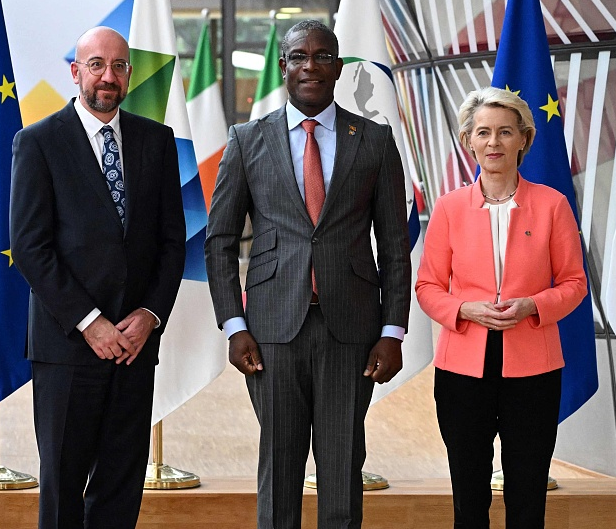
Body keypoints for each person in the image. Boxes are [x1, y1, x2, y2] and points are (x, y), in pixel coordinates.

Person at [205, 19, 411, 529]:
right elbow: (220, 241)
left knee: (342, 469)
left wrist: (392, 331)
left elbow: (394, 245)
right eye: (299, 56)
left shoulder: (375, 140)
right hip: (271, 332)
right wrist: (233, 325)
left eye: (322, 56)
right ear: (284, 66)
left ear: (338, 68)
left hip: (353, 332)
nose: (310, 66)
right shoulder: (247, 139)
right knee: (279, 471)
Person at [9, 26, 186, 529]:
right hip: (68, 347)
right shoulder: (38, 142)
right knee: (63, 485)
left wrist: (149, 315)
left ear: (130, 73)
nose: (109, 76)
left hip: (134, 345)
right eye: (96, 65)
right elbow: (30, 247)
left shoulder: (157, 140)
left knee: (121, 484)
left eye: (119, 66)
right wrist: (90, 322)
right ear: (75, 72)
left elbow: (172, 241)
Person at [416, 86, 587, 528]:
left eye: (506, 132)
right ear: (468, 141)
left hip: (533, 371)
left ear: (524, 139)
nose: (494, 142)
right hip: (461, 371)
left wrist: (534, 304)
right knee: (468, 495)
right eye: (483, 132)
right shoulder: (449, 208)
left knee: (527, 494)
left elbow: (575, 283)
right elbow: (427, 286)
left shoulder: (552, 205)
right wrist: (464, 309)